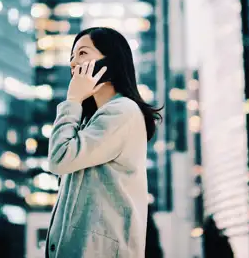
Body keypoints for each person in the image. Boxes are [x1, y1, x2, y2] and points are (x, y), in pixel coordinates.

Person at [45, 27, 162, 258]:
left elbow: (59, 158)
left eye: (82, 54)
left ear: (110, 62)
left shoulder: (122, 112)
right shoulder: (91, 120)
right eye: (71, 57)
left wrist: (73, 100)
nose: (73, 63)